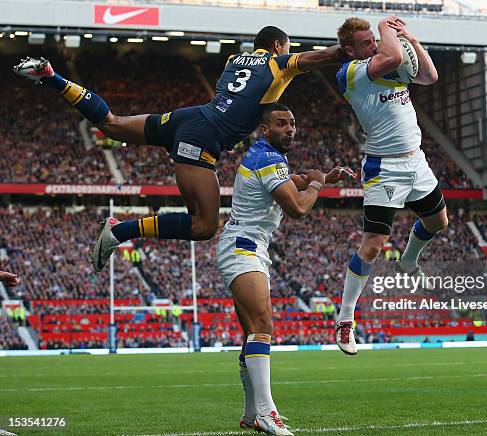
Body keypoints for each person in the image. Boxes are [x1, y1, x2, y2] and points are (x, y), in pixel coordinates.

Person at [13, 26, 344, 272]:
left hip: (190, 116)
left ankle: (52, 76)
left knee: (112, 124)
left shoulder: (233, 59)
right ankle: (120, 230)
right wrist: (365, 49)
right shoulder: (278, 63)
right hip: (203, 137)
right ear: (277, 46)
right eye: (285, 49)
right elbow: (330, 55)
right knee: (204, 226)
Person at [216, 103, 354, 434]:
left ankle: (252, 415)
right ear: (265, 129)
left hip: (246, 246)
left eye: (293, 123)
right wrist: (318, 186)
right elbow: (298, 207)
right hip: (243, 247)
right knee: (264, 324)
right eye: (281, 123)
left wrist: (322, 176)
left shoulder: (267, 155)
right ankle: (267, 411)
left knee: (252, 333)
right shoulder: (267, 159)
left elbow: (296, 178)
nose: (290, 129)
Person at [333, 16, 448, 355]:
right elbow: (395, 57)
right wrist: (385, 27)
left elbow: (429, 76)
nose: (374, 45)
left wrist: (410, 37)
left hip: (416, 159)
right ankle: (344, 320)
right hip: (385, 167)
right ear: (350, 49)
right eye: (367, 42)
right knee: (373, 245)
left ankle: (409, 261)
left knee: (439, 222)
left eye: (375, 39)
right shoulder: (350, 73)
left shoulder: (387, 66)